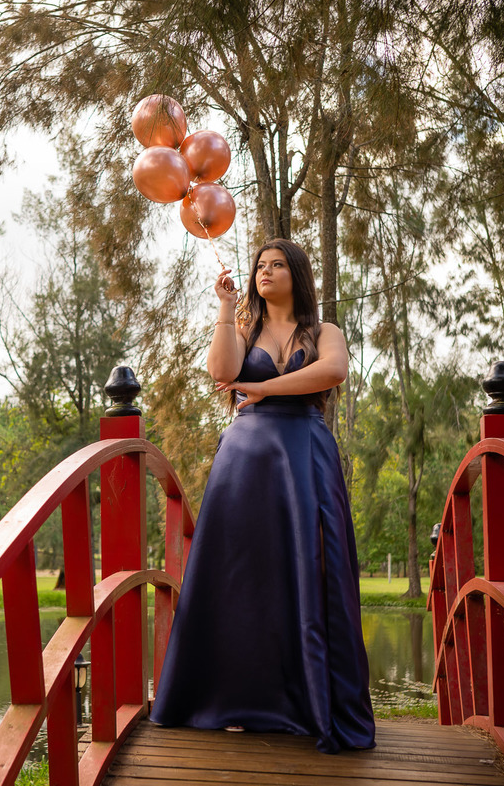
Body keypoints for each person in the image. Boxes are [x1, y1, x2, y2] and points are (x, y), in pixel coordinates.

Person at [149, 238, 376, 753]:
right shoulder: (244, 328)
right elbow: (222, 373)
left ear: (297, 274)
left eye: (276, 265)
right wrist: (226, 307)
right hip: (243, 464)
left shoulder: (324, 332)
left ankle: (305, 704)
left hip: (304, 456)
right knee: (238, 580)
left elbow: (333, 371)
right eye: (259, 266)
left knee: (308, 571)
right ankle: (232, 701)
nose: (265, 272)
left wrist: (265, 389)